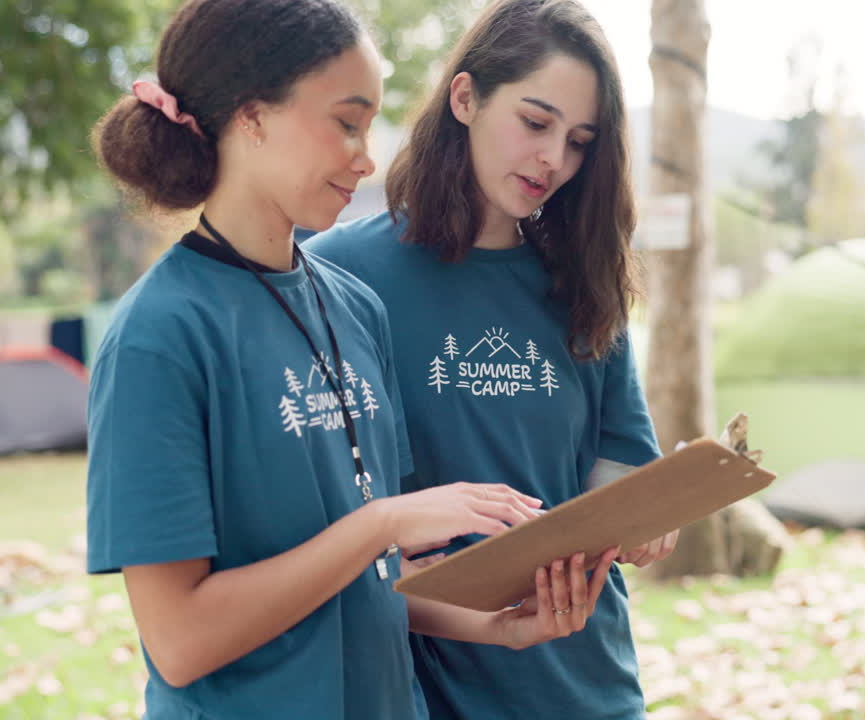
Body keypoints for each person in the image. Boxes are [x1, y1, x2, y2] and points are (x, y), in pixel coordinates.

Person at [85, 1, 616, 717]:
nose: (366, 157)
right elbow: (179, 641)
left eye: (369, 129)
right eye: (345, 122)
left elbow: (374, 578)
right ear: (252, 115)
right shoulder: (159, 336)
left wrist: (496, 628)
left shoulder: (354, 306)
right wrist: (385, 522)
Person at [307, 1, 675, 717]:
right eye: (536, 123)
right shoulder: (334, 277)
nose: (554, 159)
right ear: (466, 97)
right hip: (418, 689)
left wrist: (652, 512)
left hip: (585, 684)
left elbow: (618, 470)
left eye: (579, 141)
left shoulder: (584, 284)